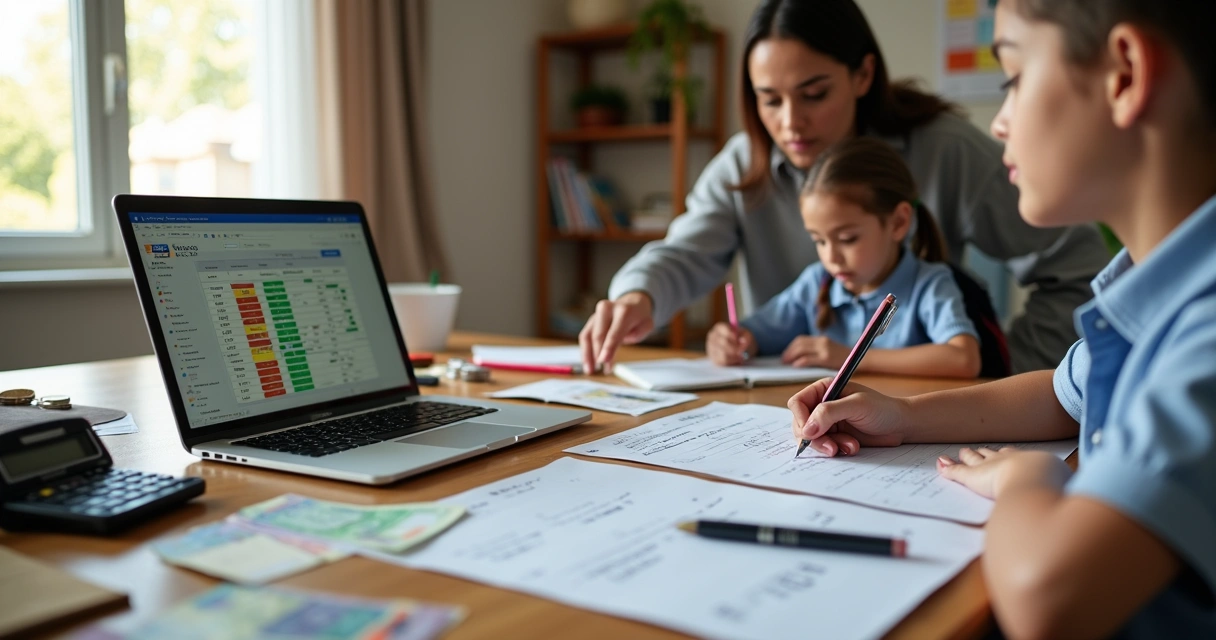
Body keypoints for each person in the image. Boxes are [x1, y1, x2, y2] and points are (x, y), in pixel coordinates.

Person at [789, 0, 1216, 636]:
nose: (998, 122)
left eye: (1013, 78)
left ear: (1125, 76)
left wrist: (1026, 478)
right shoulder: (1157, 285)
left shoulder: (1206, 327)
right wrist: (904, 416)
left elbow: (1048, 601)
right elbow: (1061, 396)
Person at [578, 0, 1110, 376]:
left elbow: (1079, 269)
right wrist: (637, 295)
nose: (790, 123)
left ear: (863, 75)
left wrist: (1011, 374)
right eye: (769, 100)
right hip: (783, 412)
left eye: (813, 94)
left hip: (922, 413)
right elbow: (684, 253)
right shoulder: (744, 163)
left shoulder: (946, 150)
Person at [707, 137, 983, 379]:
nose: (831, 257)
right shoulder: (816, 282)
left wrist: (850, 357)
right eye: (819, 240)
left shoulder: (929, 284)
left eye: (848, 239)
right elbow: (754, 335)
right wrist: (730, 341)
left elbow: (964, 359)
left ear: (899, 223)